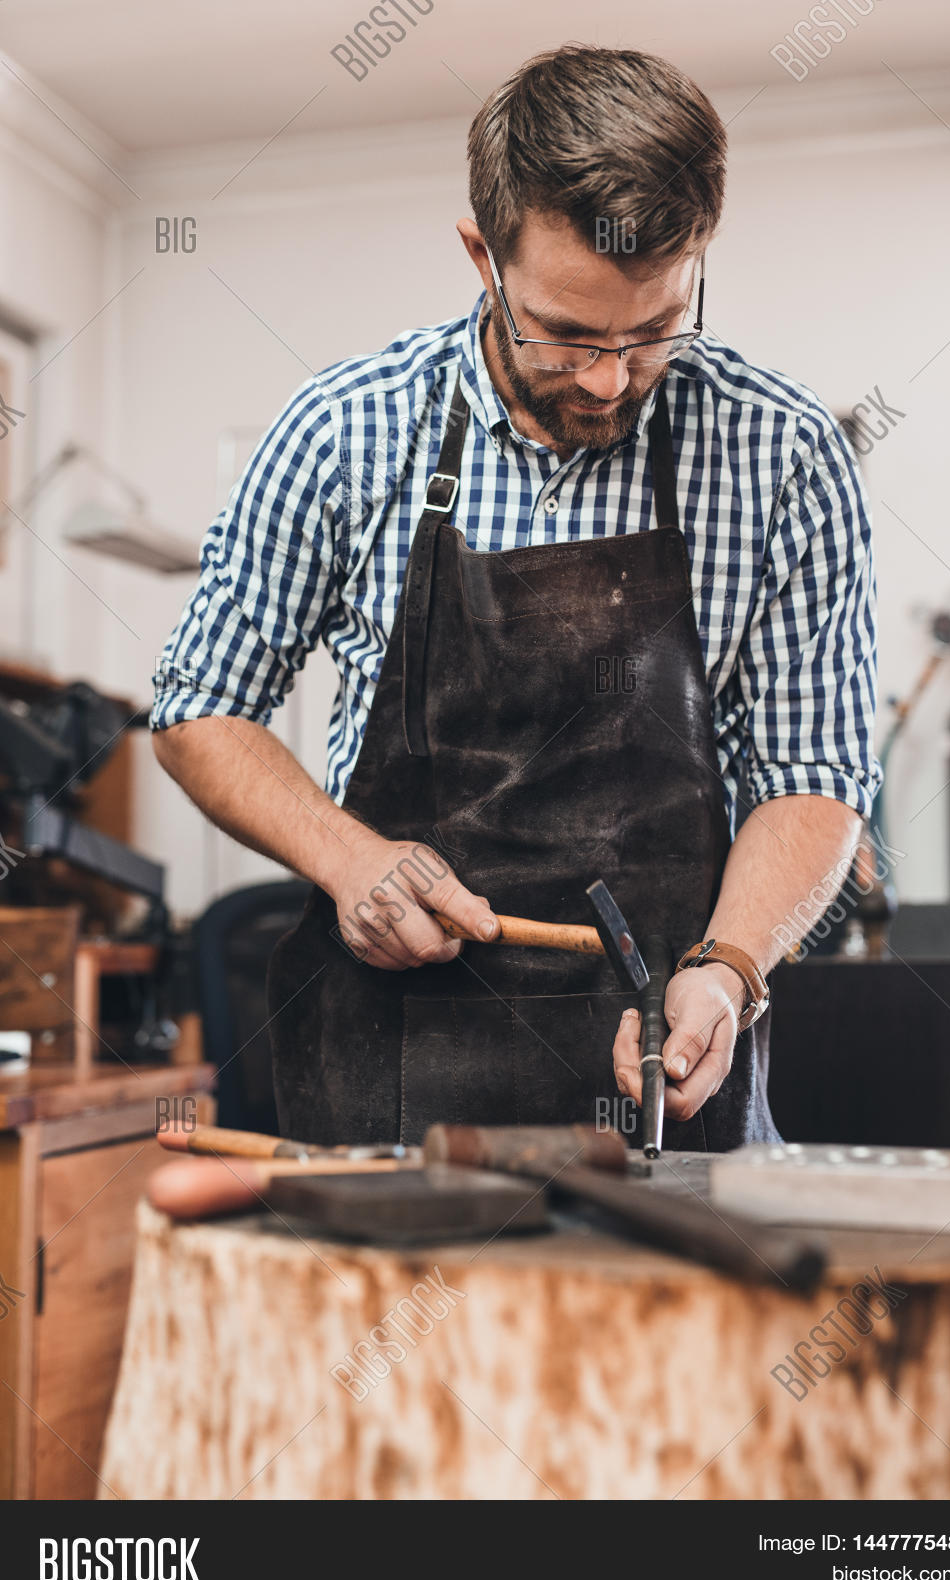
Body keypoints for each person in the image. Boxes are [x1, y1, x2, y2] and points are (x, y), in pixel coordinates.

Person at [151, 45, 879, 1150]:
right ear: (479, 255)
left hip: (661, 1083)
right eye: (568, 333)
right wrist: (350, 860)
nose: (605, 379)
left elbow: (811, 773)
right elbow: (198, 702)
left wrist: (729, 967)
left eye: (651, 333)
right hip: (391, 1092)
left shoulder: (780, 454)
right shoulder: (348, 429)